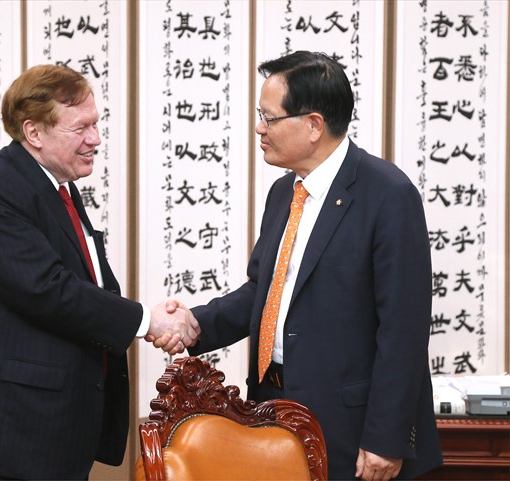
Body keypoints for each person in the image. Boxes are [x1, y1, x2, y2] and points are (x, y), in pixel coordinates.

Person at [161, 51, 442, 481]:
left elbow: (403, 330)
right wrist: (194, 324)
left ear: (313, 125)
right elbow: (264, 291)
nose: (259, 128)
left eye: (269, 117)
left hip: (349, 424)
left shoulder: (388, 195)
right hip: (270, 408)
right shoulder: (283, 193)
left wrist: (386, 438)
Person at [0, 64, 198, 481]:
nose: (96, 139)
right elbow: (47, 289)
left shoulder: (56, 185)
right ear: (34, 132)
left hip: (46, 430)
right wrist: (148, 321)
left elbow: (86, 283)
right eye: (81, 128)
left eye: (96, 124)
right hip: (1, 436)